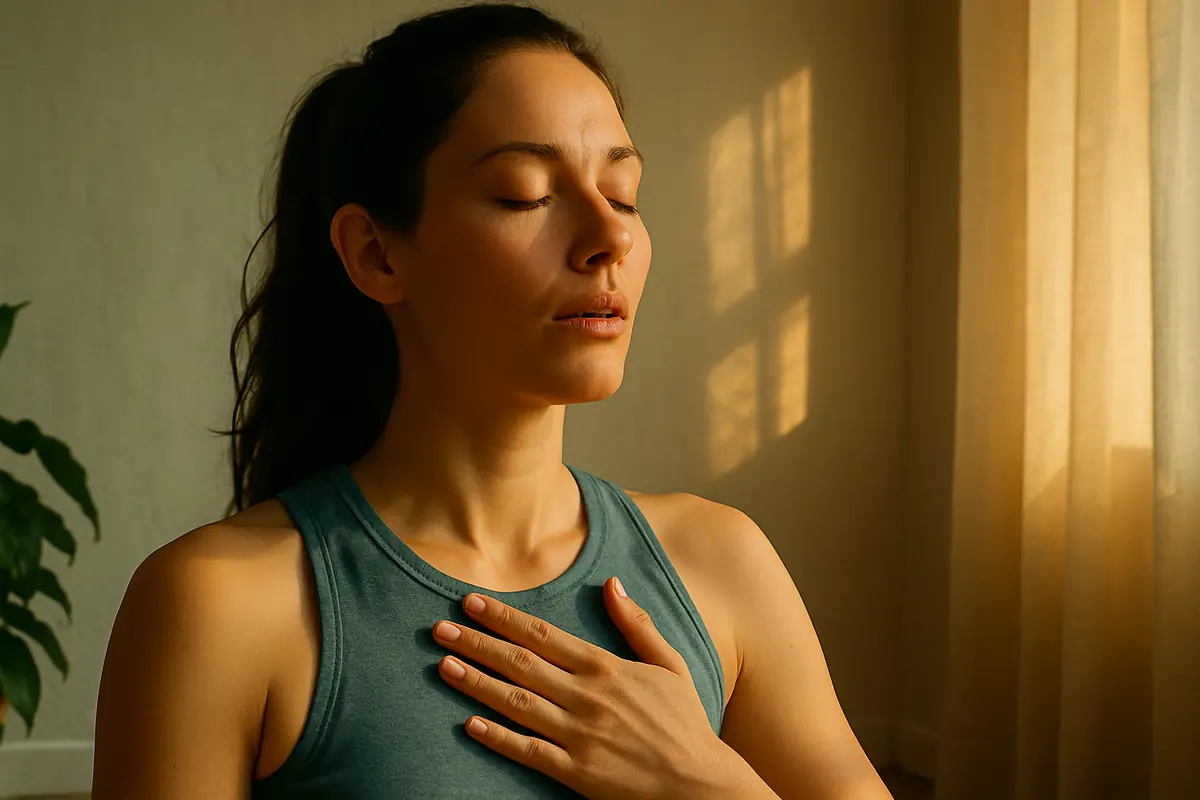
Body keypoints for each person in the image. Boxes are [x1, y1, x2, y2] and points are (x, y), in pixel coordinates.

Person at [92, 3, 891, 798]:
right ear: (375, 254)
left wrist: (706, 783)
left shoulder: (722, 561)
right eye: (524, 195)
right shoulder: (217, 604)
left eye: (623, 192)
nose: (608, 237)